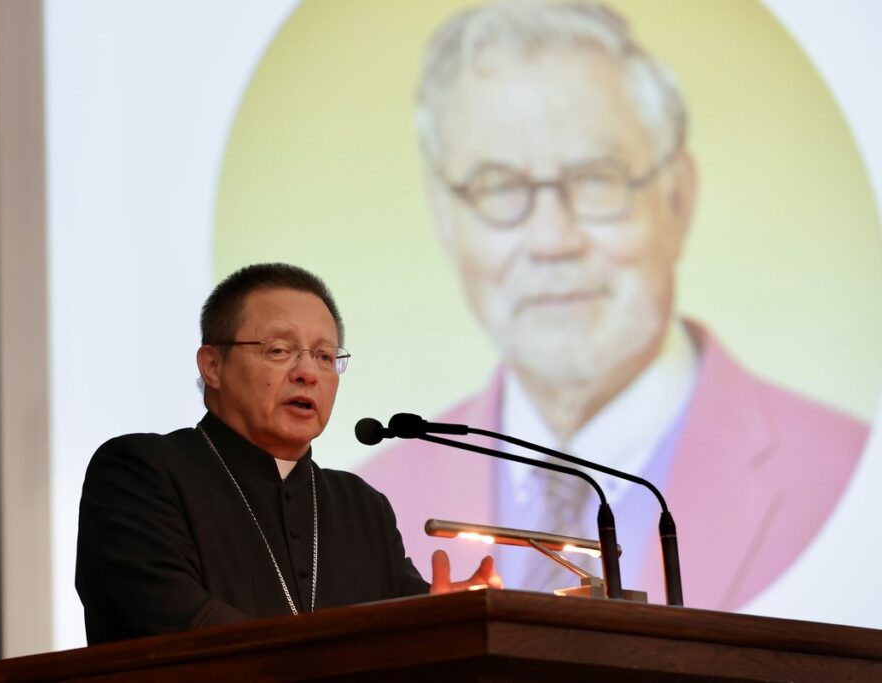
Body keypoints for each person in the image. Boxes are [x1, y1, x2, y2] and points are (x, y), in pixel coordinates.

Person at [358, 0, 867, 611]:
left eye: (596, 178)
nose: (552, 240)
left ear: (678, 197)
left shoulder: (850, 476)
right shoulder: (369, 507)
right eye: (499, 186)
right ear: (446, 220)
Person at [75, 263, 500, 645]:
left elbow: (408, 632)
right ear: (213, 366)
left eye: (325, 356)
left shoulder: (361, 507)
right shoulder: (141, 472)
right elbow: (178, 625)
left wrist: (453, 621)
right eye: (279, 350)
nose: (308, 372)